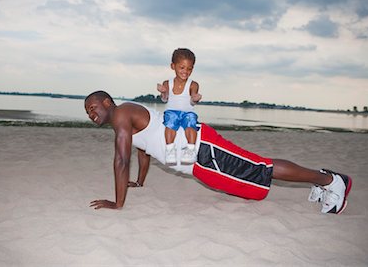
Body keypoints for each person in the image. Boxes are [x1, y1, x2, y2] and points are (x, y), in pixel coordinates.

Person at [85, 91, 352, 214]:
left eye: (93, 107)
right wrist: (140, 182)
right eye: (87, 112)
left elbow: (121, 160)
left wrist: (118, 203)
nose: (91, 114)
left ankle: (331, 181)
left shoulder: (121, 114)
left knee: (260, 169)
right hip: (198, 163)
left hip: (202, 150)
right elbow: (144, 150)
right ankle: (322, 179)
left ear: (107, 102)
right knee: (250, 186)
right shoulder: (125, 120)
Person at [157, 48, 202, 164]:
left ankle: (191, 150)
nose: (185, 71)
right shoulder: (167, 83)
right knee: (170, 123)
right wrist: (163, 92)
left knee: (190, 122)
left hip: (188, 112)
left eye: (189, 69)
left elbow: (192, 102)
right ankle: (170, 150)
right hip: (172, 111)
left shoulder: (193, 84)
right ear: (173, 66)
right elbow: (165, 100)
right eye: (182, 67)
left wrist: (195, 99)